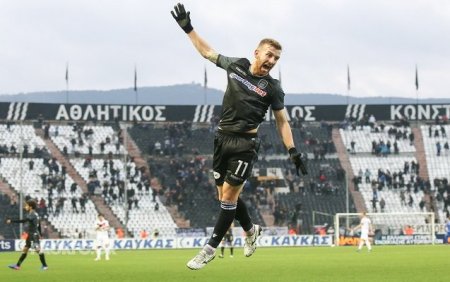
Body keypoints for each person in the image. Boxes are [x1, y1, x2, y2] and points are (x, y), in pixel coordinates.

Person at [171, 3, 307, 270]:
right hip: (222, 140)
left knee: (229, 197)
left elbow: (282, 121)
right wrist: (188, 28)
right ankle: (250, 229)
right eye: (269, 55)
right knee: (225, 197)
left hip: (245, 144)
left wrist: (293, 151)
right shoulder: (237, 66)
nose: (271, 61)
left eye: (276, 59)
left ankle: (209, 249)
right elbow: (208, 52)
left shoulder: (273, 88)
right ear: (256, 53)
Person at [6, 199, 49, 271]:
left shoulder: (32, 214)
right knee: (25, 249)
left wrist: (11, 221)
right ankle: (17, 265)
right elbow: (38, 225)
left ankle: (45, 266)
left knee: (38, 250)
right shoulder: (35, 214)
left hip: (34, 235)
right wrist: (40, 234)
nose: (25, 207)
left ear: (31, 207)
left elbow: (23, 220)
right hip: (31, 235)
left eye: (26, 205)